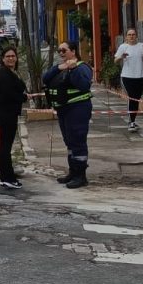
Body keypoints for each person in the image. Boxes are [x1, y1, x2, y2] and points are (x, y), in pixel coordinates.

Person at [43, 40, 93, 189]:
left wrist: (72, 70)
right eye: (59, 51)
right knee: (69, 142)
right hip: (63, 109)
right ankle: (72, 172)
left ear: (73, 51)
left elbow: (84, 85)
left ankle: (80, 176)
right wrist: (60, 67)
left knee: (77, 141)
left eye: (64, 51)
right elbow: (45, 78)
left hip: (77, 108)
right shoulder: (60, 67)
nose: (61, 53)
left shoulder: (82, 67)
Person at [0, 47, 28, 189]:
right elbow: (9, 94)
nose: (11, 58)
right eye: (8, 56)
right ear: (3, 58)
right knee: (5, 146)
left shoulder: (12, 72)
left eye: (13, 56)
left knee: (5, 145)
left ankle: (6, 177)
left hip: (9, 111)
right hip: (5, 112)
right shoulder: (2, 73)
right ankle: (8, 178)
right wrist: (23, 97)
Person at [114, 29, 143, 133]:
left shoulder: (142, 46)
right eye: (129, 35)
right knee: (131, 99)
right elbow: (115, 60)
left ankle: (133, 120)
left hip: (140, 77)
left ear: (136, 36)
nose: (131, 36)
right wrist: (121, 57)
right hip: (127, 77)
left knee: (136, 99)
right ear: (126, 37)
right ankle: (131, 122)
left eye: (133, 34)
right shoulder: (123, 47)